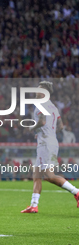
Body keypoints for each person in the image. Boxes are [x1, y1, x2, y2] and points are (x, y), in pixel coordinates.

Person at [21, 81, 79, 213]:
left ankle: (76, 192)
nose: (37, 91)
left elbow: (41, 121)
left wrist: (32, 128)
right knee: (37, 174)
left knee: (49, 176)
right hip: (50, 140)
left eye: (40, 89)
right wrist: (46, 133)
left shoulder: (41, 104)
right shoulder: (53, 106)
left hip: (46, 143)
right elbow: (61, 126)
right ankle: (34, 205)